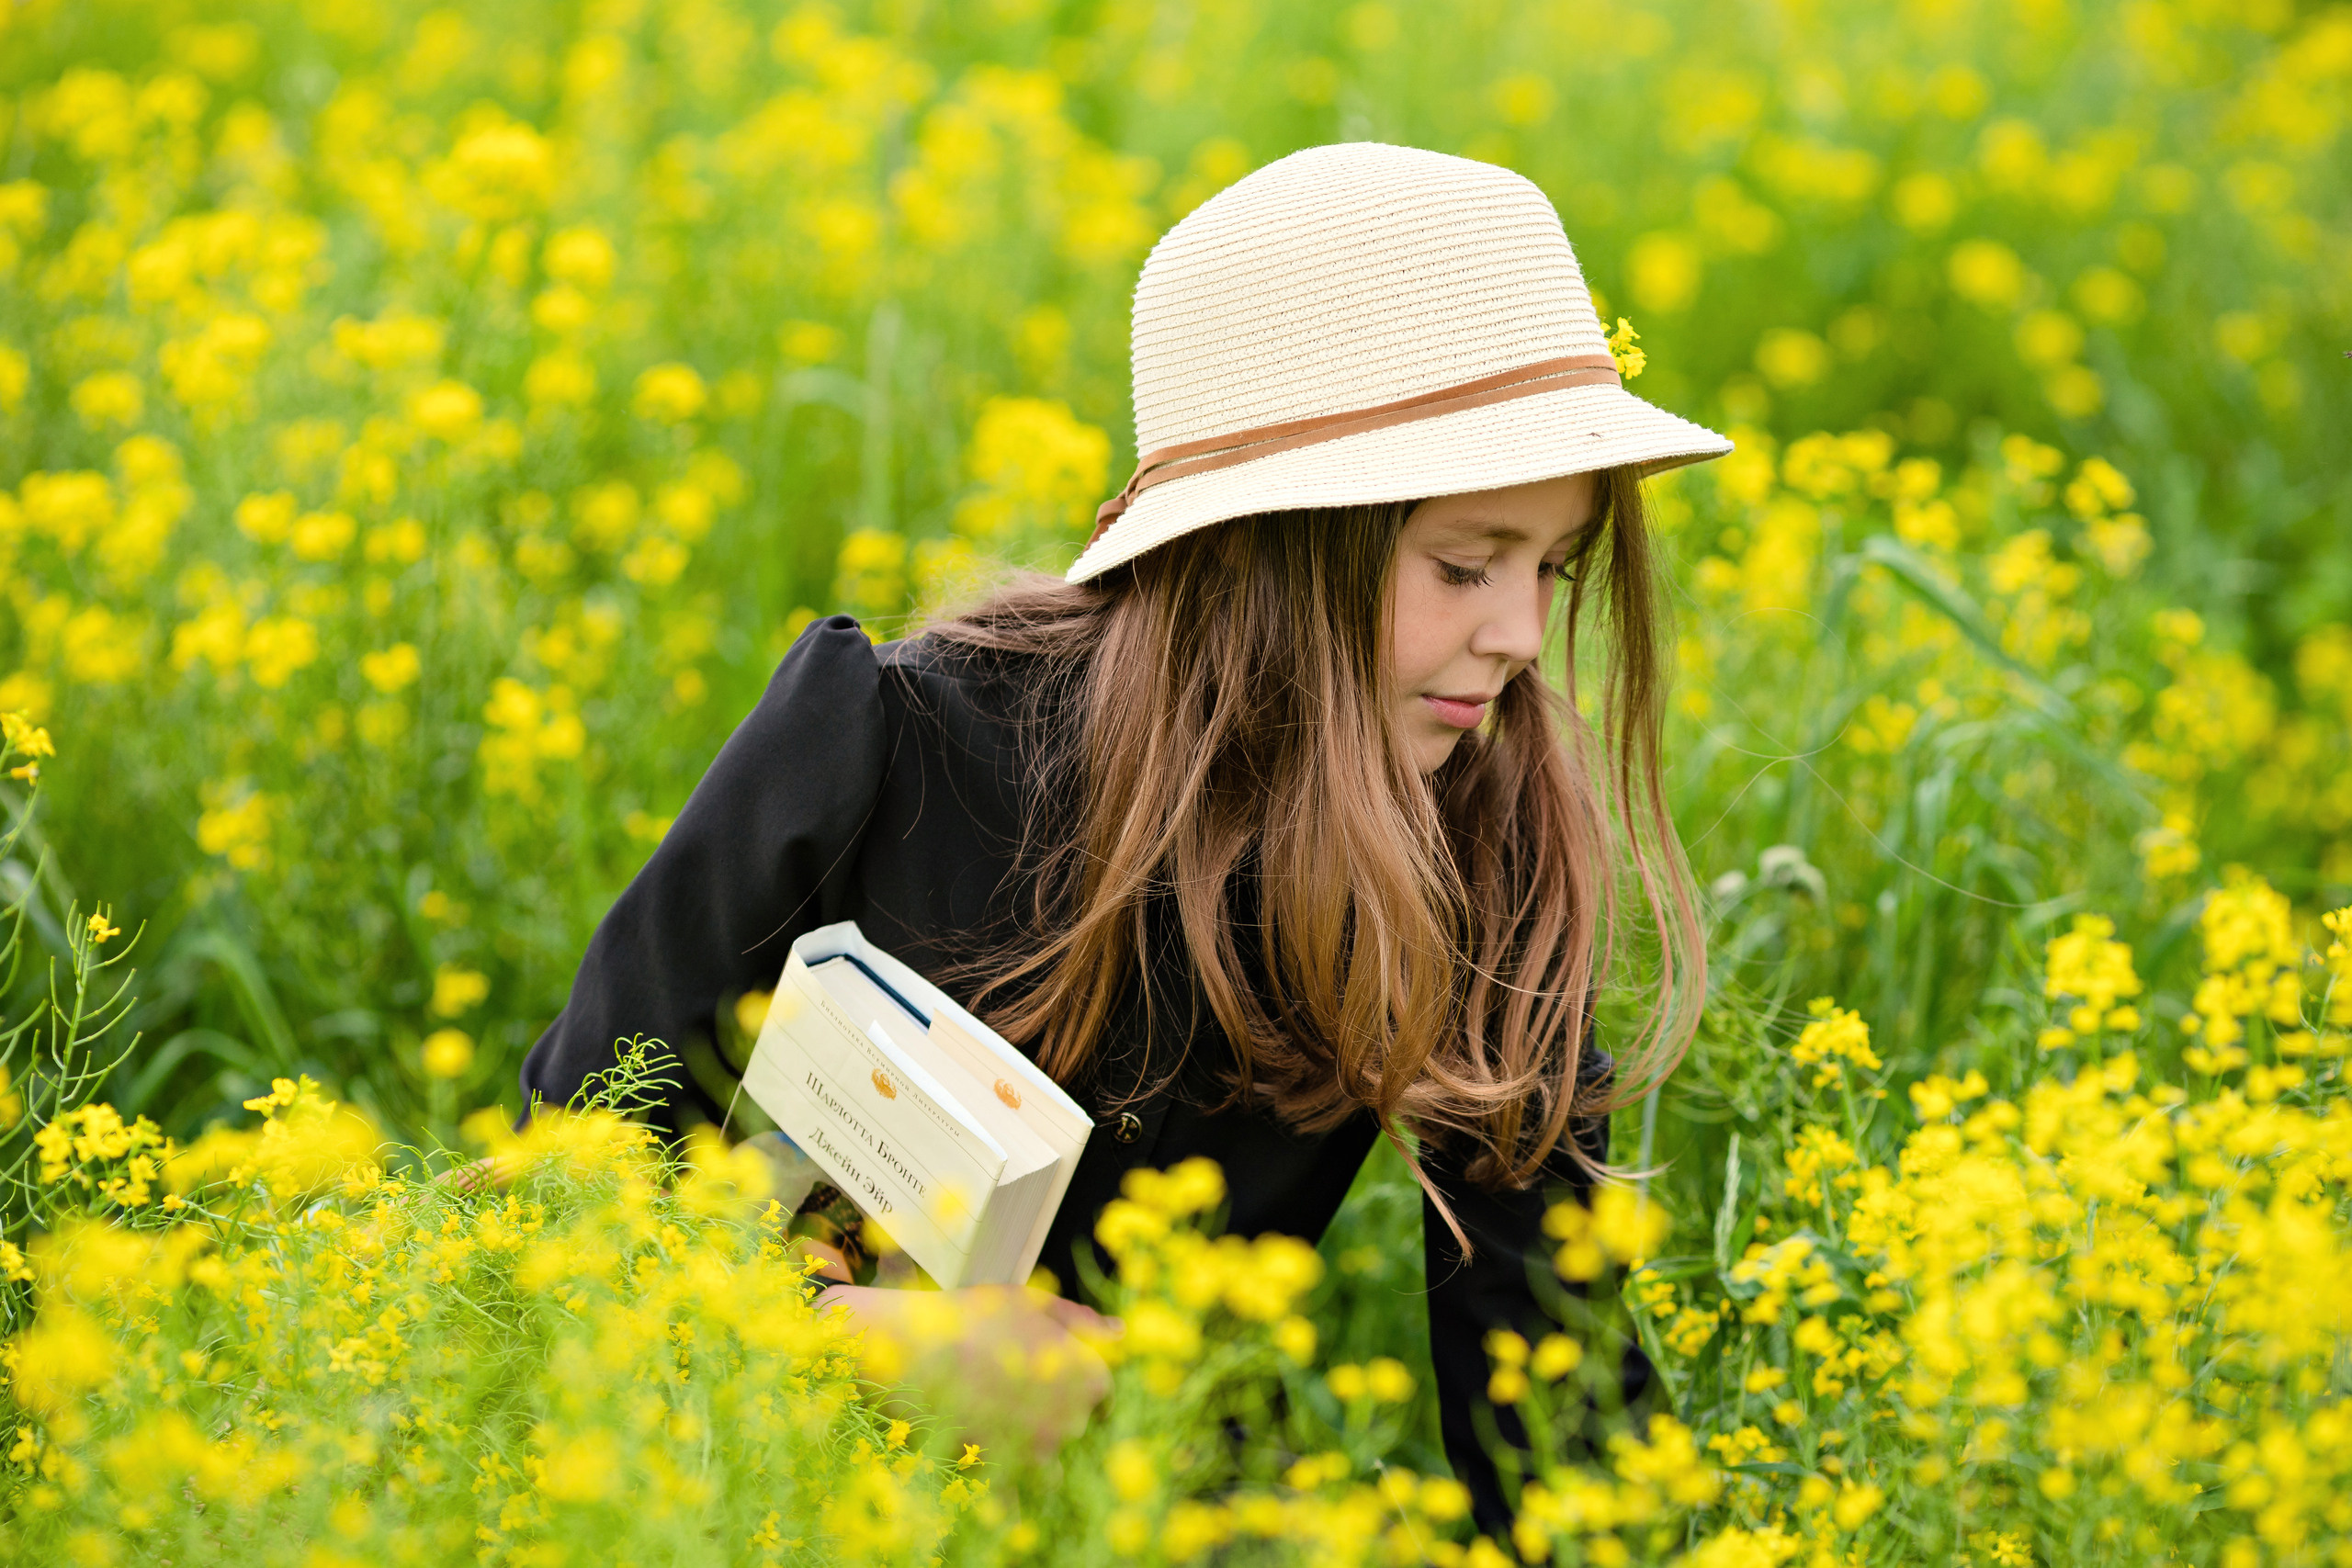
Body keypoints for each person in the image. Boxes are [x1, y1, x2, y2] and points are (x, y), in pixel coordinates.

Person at [520, 141, 1730, 1532]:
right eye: (1464, 566)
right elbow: (565, 1184)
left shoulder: (1489, 844)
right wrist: (843, 1339)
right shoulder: (887, 740)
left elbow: (1556, 1413)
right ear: (1267, 545)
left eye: (1549, 570)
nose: (1519, 638)